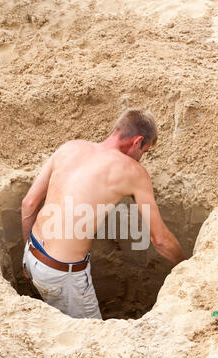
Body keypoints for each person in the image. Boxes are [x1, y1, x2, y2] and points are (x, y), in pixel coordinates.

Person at [22, 109, 185, 319]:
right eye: (145, 152)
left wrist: (27, 256)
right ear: (137, 142)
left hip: (32, 254)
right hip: (63, 276)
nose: (141, 159)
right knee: (91, 338)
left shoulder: (70, 148)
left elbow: (28, 204)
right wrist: (187, 266)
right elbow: (160, 240)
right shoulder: (134, 172)